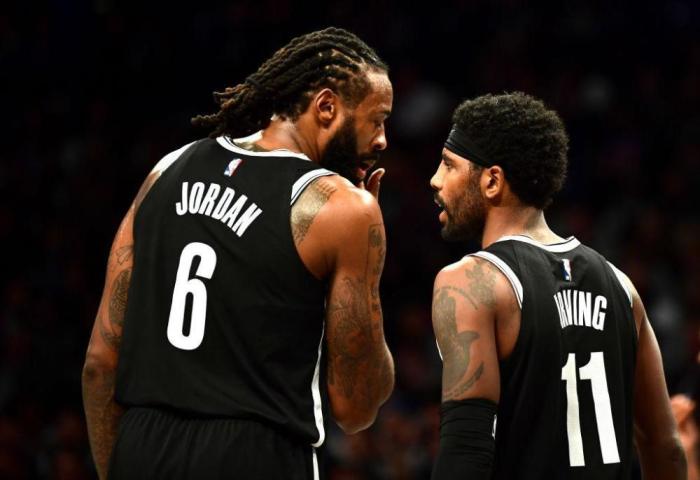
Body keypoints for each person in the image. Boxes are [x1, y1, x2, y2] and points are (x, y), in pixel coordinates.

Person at [81, 27, 395, 480]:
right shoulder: (340, 207)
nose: (383, 140)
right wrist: (369, 266)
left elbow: (99, 365)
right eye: (377, 120)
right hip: (255, 453)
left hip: (142, 445)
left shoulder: (167, 170)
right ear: (327, 107)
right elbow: (356, 407)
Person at [428, 92, 687, 479]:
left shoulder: (472, 282)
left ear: (492, 181)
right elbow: (665, 446)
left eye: (449, 164)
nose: (435, 180)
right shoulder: (621, 286)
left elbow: (466, 449)